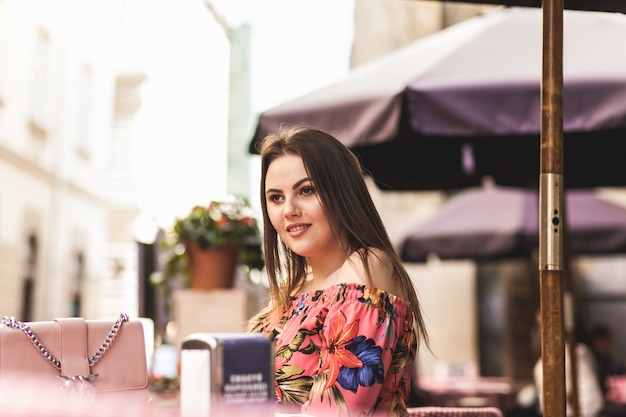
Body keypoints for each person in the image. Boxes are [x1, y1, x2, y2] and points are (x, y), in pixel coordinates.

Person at [246, 125, 429, 417]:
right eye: (276, 198)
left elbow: (339, 408)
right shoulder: (292, 291)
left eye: (306, 191)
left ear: (341, 193)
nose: (288, 210)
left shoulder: (367, 265)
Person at [533, 311, 604, 417]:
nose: (541, 331)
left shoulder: (576, 354)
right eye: (539, 325)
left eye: (544, 325)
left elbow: (591, 398)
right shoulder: (546, 357)